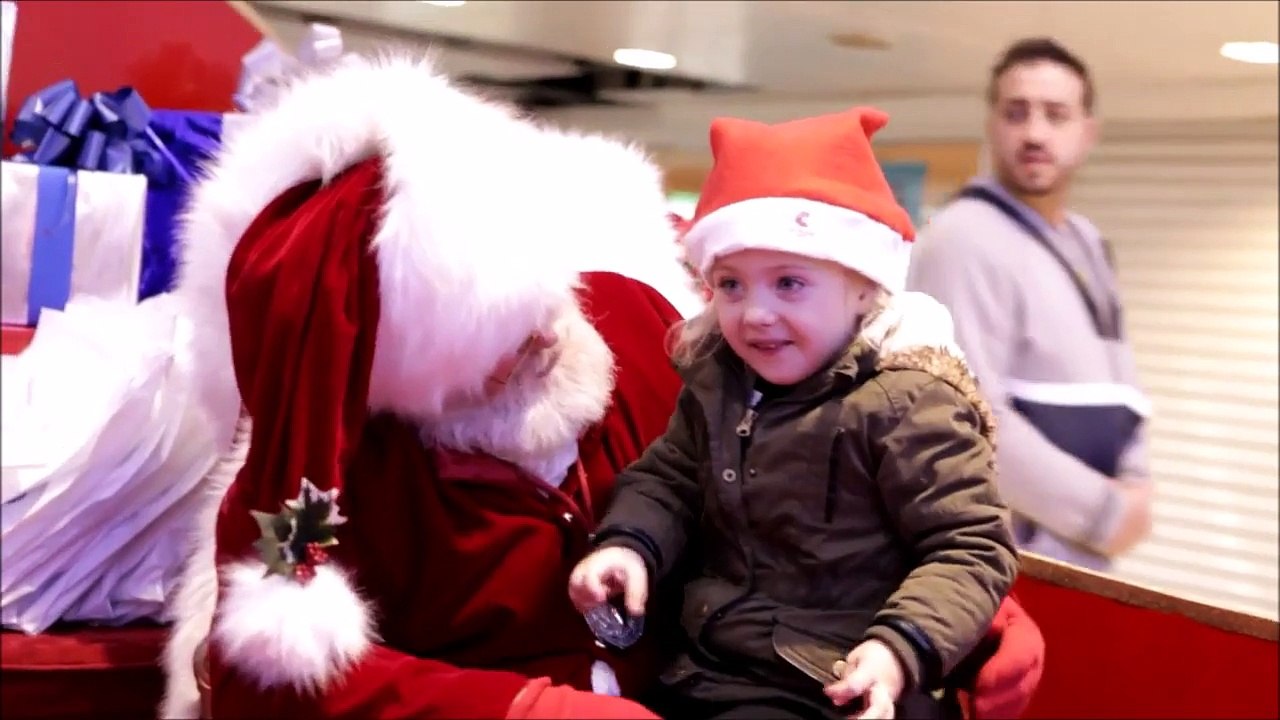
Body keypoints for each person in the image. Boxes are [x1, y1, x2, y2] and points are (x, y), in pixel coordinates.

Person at [160, 53, 1044, 720]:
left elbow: (824, 464)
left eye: (539, 296)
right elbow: (252, 674)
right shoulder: (310, 479)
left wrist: (963, 619)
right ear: (401, 374)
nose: (548, 336)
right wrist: (519, 711)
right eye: (493, 342)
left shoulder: (633, 322)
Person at [570, 107, 1020, 720]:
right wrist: (629, 545)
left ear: (864, 286)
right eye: (731, 284)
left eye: (789, 283)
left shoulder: (906, 401)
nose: (754, 314)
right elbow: (668, 480)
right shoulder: (716, 382)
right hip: (707, 664)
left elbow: (970, 547)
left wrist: (897, 650)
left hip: (833, 681)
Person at [906, 37, 1153, 571]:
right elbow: (964, 414)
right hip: (1002, 560)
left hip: (1083, 555)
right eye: (1017, 113)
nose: (1035, 133)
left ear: (1088, 132)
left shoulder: (1086, 241)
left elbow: (1121, 381)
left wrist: (1136, 480)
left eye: (1056, 115)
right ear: (993, 125)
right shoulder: (962, 240)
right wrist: (1104, 512)